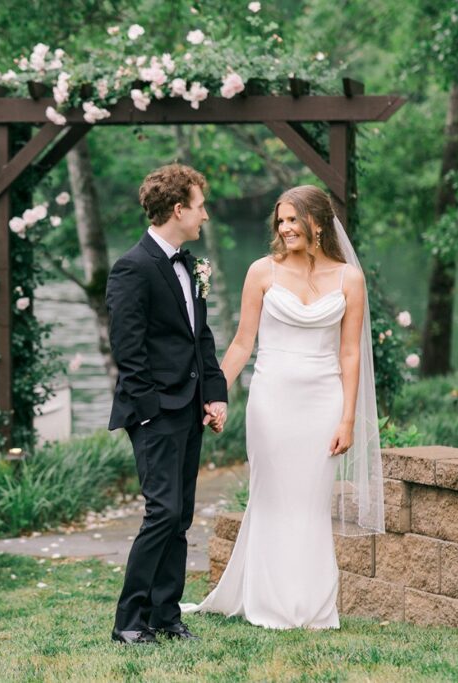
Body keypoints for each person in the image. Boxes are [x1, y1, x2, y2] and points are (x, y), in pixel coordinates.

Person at [182, 184, 384, 629]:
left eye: (294, 219)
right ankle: (269, 602)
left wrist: (348, 418)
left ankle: (312, 607)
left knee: (311, 502)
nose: (285, 227)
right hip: (272, 401)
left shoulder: (350, 278)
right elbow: (241, 342)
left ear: (318, 222)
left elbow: (350, 353)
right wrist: (215, 393)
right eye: (281, 220)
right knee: (272, 497)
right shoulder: (262, 272)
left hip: (324, 401)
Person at [106, 163, 228, 644]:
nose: (205, 216)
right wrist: (152, 408)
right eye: (200, 207)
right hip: (155, 412)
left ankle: (165, 615)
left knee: (179, 516)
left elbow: (201, 336)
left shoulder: (190, 263)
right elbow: (128, 351)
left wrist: (214, 393)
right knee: (161, 513)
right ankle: (129, 622)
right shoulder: (131, 268)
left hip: (190, 407)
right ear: (178, 209)